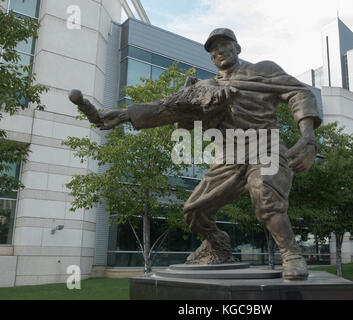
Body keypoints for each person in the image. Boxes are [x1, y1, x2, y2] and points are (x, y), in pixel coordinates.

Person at [69, 28, 322, 280]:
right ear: (211, 59)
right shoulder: (205, 89)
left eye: (224, 45)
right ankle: (218, 245)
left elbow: (299, 93)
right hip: (230, 155)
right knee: (194, 211)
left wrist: (308, 136)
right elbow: (164, 109)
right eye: (214, 50)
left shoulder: (263, 71)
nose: (219, 51)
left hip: (265, 145)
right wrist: (121, 115)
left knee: (264, 191)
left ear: (238, 48)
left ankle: (292, 256)